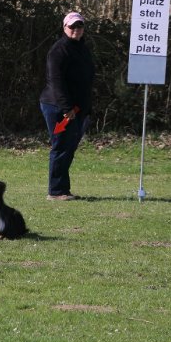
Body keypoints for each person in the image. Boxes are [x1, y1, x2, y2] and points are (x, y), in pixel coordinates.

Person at [39, 11, 95, 201]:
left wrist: (86, 108)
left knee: (69, 147)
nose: (76, 29)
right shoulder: (58, 50)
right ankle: (55, 191)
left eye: (79, 26)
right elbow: (56, 81)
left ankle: (63, 189)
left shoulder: (82, 48)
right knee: (61, 146)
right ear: (65, 27)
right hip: (58, 108)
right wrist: (66, 108)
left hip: (77, 109)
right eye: (72, 26)